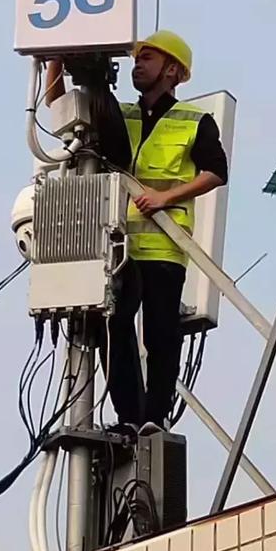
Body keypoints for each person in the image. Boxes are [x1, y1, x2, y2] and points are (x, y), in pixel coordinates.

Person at [46, 31, 228, 435]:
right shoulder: (118, 114)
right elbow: (60, 108)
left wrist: (166, 197)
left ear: (174, 71)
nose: (137, 64)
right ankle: (129, 415)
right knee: (113, 326)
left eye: (148, 58)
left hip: (164, 245)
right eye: (136, 58)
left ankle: (154, 417)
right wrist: (55, 59)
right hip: (119, 244)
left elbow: (216, 172)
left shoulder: (194, 121)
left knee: (162, 332)